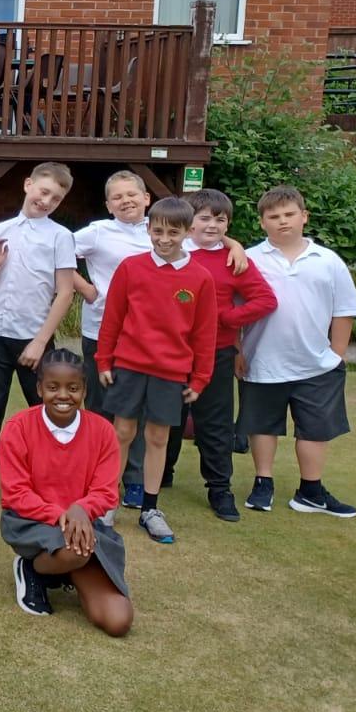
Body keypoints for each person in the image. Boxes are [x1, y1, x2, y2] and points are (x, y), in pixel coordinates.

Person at [95, 197, 217, 545]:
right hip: (128, 365)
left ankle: (150, 508)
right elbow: (113, 318)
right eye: (158, 231)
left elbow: (204, 333)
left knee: (158, 438)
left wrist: (200, 378)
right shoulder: (131, 267)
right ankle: (107, 504)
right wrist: (104, 360)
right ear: (148, 229)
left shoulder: (200, 278)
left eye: (173, 233)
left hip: (171, 371)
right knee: (122, 432)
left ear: (188, 232)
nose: (164, 239)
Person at [239, 185, 356, 518]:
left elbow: (344, 309)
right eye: (273, 216)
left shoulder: (328, 261)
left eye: (289, 214)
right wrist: (237, 350)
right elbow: (231, 308)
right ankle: (263, 483)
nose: (282, 221)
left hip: (317, 364)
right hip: (261, 360)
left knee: (315, 428)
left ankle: (310, 491)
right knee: (263, 425)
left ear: (304, 216)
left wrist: (337, 354)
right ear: (262, 222)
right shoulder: (248, 259)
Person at [0, 162, 76, 517]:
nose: (47, 201)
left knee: (48, 411)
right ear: (28, 185)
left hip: (35, 337)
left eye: (55, 198)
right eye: (44, 192)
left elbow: (65, 292)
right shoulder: (1, 230)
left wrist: (40, 342)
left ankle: (50, 483)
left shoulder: (60, 236)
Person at [0, 347, 133, 637]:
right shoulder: (18, 428)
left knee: (118, 621)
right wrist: (65, 515)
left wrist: (82, 509)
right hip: (32, 521)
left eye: (73, 388)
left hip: (84, 530)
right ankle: (32, 567)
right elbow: (15, 494)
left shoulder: (103, 431)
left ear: (84, 390)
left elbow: (106, 491)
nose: (63, 395)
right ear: (39, 388)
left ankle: (63, 569)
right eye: (53, 387)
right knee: (75, 550)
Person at [165, 189, 276, 521]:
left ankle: (219, 488)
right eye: (204, 218)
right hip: (170, 351)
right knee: (166, 416)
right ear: (190, 222)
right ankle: (161, 473)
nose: (212, 225)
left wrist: (226, 318)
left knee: (214, 423)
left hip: (216, 352)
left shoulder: (233, 260)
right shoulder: (172, 252)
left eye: (220, 219)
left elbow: (265, 300)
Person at [70, 171, 152, 421]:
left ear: (146, 198)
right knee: (101, 406)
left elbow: (203, 238)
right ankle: (99, 447)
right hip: (102, 329)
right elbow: (53, 253)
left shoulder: (161, 229)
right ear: (108, 206)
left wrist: (232, 245)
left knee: (139, 408)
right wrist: (85, 288)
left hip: (149, 332)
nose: (125, 200)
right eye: (117, 197)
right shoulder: (98, 232)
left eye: (131, 194)